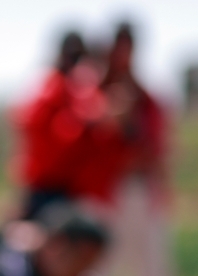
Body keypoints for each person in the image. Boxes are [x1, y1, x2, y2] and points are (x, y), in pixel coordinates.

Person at [81, 22, 174, 276]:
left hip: (139, 187)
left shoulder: (144, 96)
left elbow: (156, 147)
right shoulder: (91, 92)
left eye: (128, 45)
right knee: (97, 264)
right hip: (104, 188)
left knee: (152, 266)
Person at [10, 31, 124, 219]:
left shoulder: (77, 89)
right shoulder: (54, 88)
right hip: (46, 186)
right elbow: (58, 134)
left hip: (70, 189)